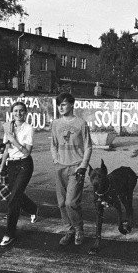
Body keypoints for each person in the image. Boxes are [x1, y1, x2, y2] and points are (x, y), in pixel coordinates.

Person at [50, 92, 92, 246]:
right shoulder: (55, 124)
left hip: (76, 167)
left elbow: (88, 146)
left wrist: (83, 166)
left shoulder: (81, 123)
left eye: (64, 104)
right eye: (59, 105)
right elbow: (53, 144)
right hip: (60, 167)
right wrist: (55, 160)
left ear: (72, 105)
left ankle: (79, 229)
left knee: (71, 203)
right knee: (61, 203)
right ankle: (69, 230)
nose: (60, 107)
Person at [0, 101, 38, 247]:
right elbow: (6, 150)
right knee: (17, 194)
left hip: (24, 164)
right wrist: (1, 168)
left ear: (25, 113)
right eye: (15, 111)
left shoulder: (29, 129)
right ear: (12, 112)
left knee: (13, 199)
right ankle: (33, 209)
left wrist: (13, 139)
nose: (18, 114)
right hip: (11, 165)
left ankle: (10, 233)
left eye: (21, 111)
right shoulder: (8, 127)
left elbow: (27, 152)